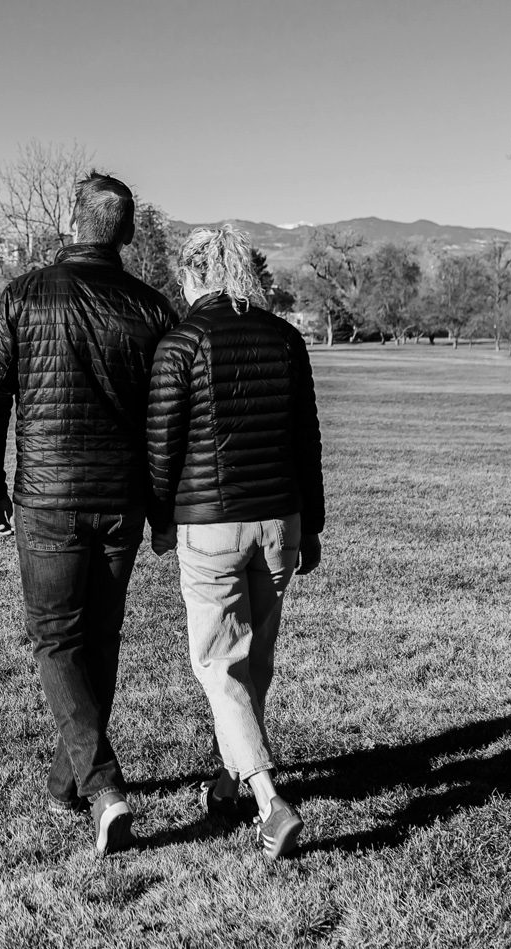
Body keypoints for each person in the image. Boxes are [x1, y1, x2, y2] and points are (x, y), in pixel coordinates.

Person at [0, 173, 179, 857]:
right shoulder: (152, 308)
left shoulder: (25, 293)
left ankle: (103, 784)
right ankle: (70, 780)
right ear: (127, 231)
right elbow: (166, 419)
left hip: (49, 498)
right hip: (119, 498)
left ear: (72, 220)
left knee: (59, 641)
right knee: (100, 638)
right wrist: (160, 505)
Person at [146, 223, 324, 861]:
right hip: (280, 520)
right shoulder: (285, 338)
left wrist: (159, 517)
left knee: (220, 663)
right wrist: (315, 525)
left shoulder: (182, 342)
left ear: (194, 274)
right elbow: (306, 440)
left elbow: (162, 446)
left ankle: (269, 799)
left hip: (211, 523)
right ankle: (229, 778)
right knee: (254, 661)